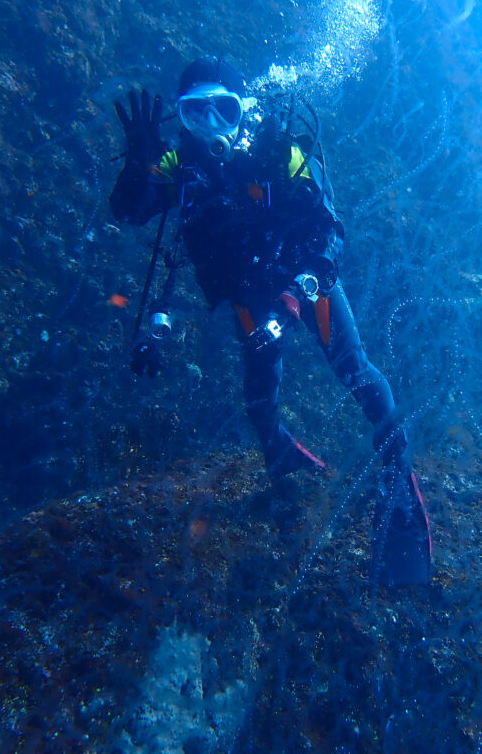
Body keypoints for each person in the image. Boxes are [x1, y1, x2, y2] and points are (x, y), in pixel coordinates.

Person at [109, 58, 431, 586]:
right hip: (247, 295)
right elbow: (129, 211)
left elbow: (329, 232)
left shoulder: (279, 150)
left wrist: (299, 290)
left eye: (223, 109)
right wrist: (137, 163)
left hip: (303, 281)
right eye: (194, 112)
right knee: (259, 398)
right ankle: (281, 455)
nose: (210, 124)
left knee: (353, 367)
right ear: (182, 117)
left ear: (244, 109)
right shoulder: (176, 161)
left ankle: (399, 480)